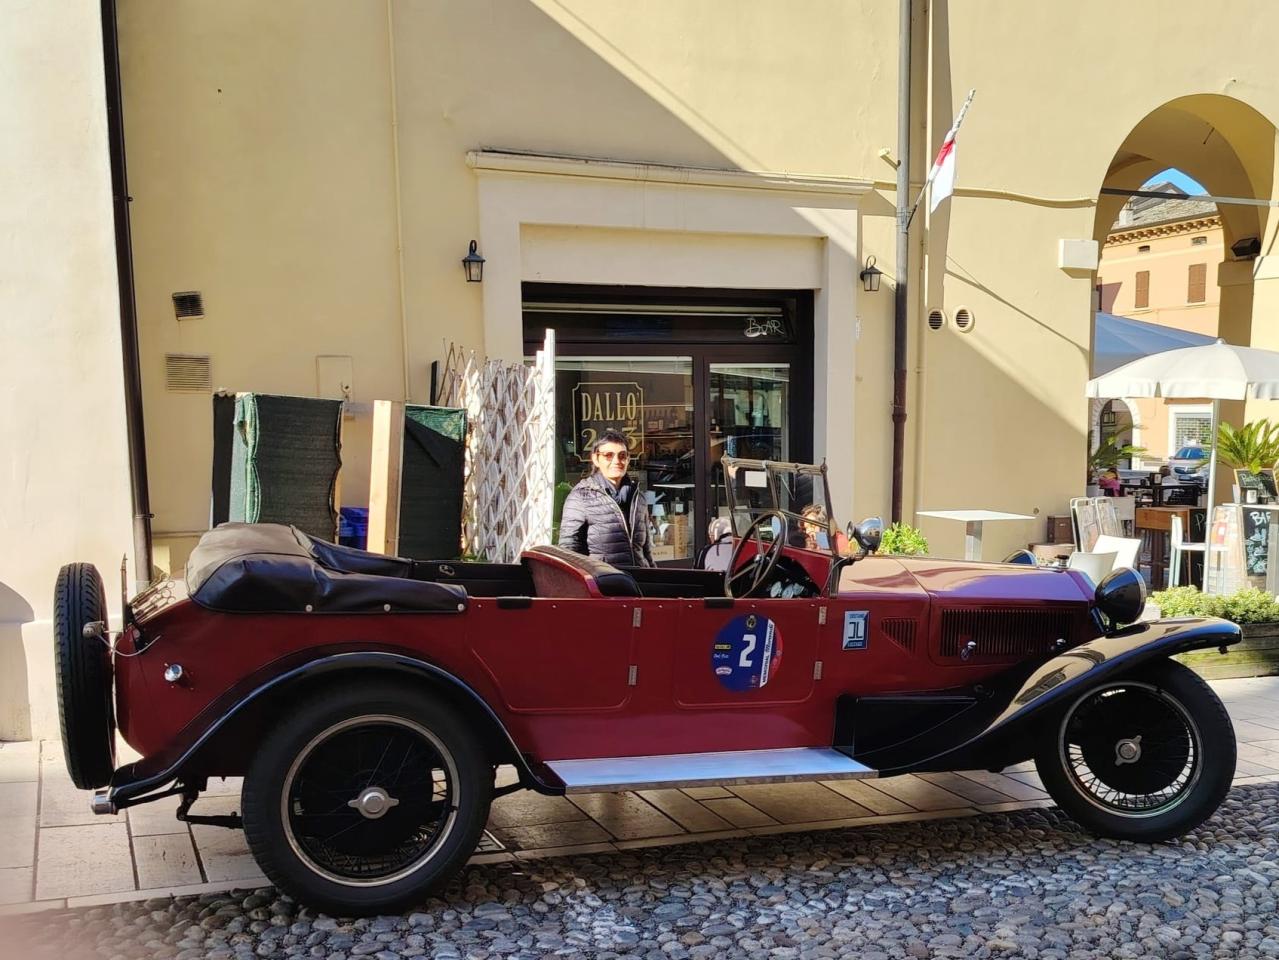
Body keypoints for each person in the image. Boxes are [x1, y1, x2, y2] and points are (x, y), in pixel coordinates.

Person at [558, 430, 654, 567]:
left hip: (638, 582)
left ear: (628, 459)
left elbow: (646, 551)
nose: (616, 461)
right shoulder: (581, 497)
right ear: (596, 459)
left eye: (622, 456)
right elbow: (568, 549)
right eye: (608, 455)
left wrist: (657, 581)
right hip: (603, 582)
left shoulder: (638, 498)